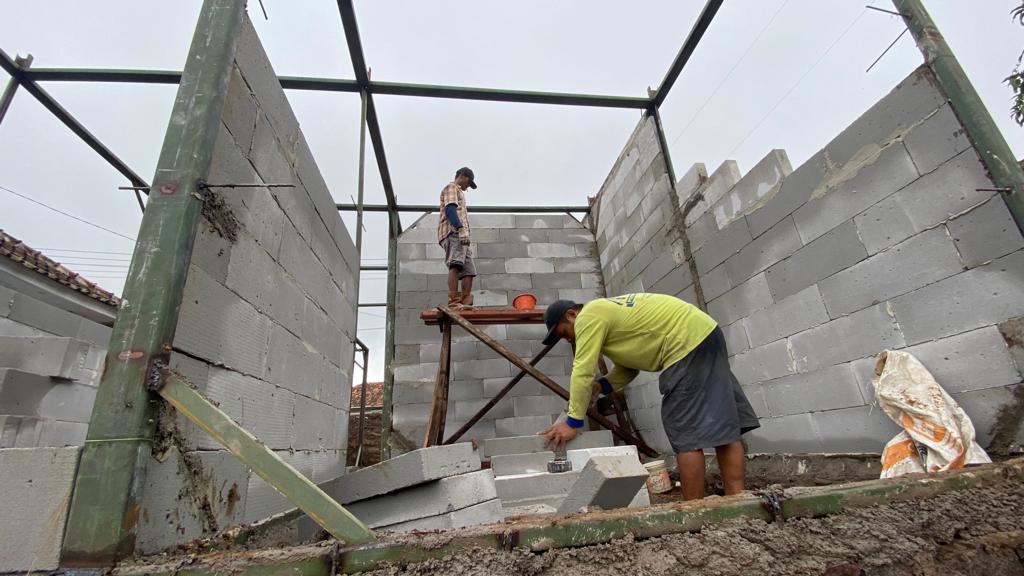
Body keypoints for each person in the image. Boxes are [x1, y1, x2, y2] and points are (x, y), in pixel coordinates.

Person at [538, 293, 760, 500]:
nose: (568, 340)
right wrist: (601, 386)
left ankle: (693, 509)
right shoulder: (608, 315)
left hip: (684, 344)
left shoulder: (589, 315)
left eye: (565, 333)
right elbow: (629, 369)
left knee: (685, 431)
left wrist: (573, 421)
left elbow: (582, 370)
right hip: (705, 333)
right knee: (724, 423)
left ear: (572, 314)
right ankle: (737, 498)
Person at [438, 167, 477, 308]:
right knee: (455, 264)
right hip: (453, 232)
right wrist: (460, 228)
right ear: (463, 176)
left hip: (462, 236)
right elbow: (450, 209)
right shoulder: (451, 187)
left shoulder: (459, 192)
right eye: (469, 183)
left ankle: (465, 302)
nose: (467, 187)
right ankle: (454, 302)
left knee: (469, 270)